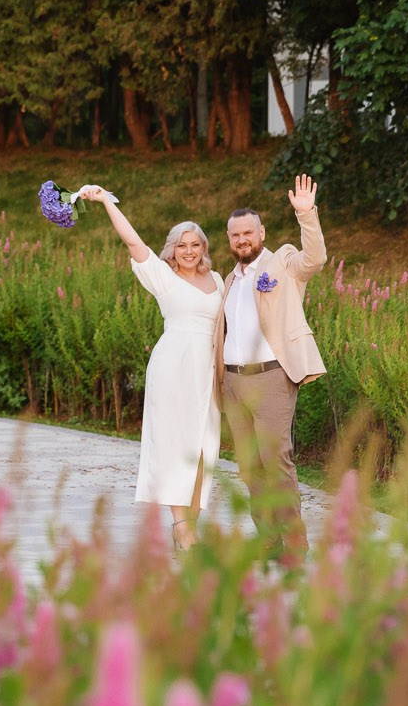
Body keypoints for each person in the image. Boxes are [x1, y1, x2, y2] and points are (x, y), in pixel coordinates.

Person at [77, 186, 221, 551]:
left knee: (205, 448)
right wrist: (108, 202)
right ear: (171, 249)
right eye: (181, 245)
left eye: (195, 244)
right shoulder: (161, 276)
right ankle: (182, 528)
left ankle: (192, 523)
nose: (188, 251)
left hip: (208, 372)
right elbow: (132, 241)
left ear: (204, 247)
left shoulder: (218, 280)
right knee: (175, 445)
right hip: (173, 367)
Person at [217, 174, 327, 554]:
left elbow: (314, 259)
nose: (242, 240)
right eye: (235, 235)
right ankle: (267, 539)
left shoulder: (282, 263)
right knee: (249, 467)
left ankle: (295, 543)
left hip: (271, 379)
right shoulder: (230, 280)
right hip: (233, 383)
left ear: (261, 232)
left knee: (276, 461)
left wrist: (306, 214)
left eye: (248, 232)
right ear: (229, 240)